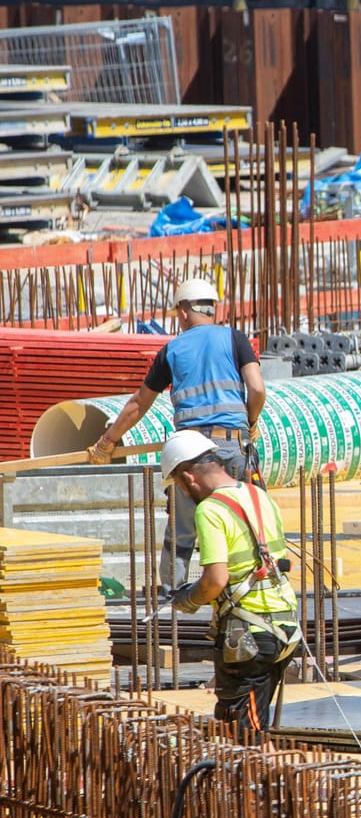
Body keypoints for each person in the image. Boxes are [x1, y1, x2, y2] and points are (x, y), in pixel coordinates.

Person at [88, 277, 267, 582]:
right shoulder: (236, 339)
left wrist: (108, 441)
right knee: (248, 523)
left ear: (183, 311)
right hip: (234, 446)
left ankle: (173, 606)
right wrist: (249, 423)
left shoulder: (172, 350)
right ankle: (249, 593)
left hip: (192, 455)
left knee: (182, 536)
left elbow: (138, 404)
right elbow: (257, 388)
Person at [163, 429, 302, 742]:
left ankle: (257, 787)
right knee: (253, 723)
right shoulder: (259, 496)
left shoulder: (210, 510)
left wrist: (189, 599)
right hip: (284, 626)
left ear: (189, 477)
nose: (183, 495)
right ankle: (262, 782)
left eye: (180, 487)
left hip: (248, 636)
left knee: (243, 736)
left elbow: (215, 580)